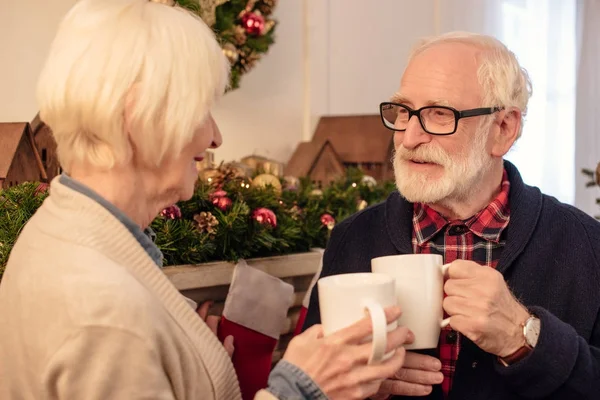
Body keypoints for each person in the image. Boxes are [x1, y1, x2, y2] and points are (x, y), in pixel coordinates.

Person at [0, 0, 414, 399]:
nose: (215, 137)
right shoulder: (101, 309)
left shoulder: (70, 233)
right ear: (136, 117)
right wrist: (299, 389)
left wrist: (190, 366)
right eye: (201, 110)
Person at [303, 31, 600, 399]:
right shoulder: (352, 239)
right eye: (404, 111)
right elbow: (308, 380)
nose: (408, 138)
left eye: (439, 115)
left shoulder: (587, 245)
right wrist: (350, 387)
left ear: (504, 129)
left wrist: (522, 338)